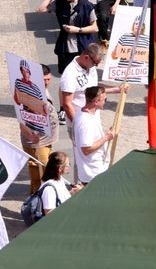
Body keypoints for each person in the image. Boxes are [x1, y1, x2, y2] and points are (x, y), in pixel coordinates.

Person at [14, 63, 58, 193]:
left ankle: (37, 196)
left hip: (45, 138)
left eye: (49, 79)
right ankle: (39, 200)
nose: (47, 82)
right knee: (43, 172)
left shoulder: (40, 89)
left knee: (42, 169)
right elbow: (21, 116)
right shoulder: (26, 91)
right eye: (44, 79)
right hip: (36, 140)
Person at [38, 0, 97, 72]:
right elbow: (41, 9)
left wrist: (77, 30)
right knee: (65, 73)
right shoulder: (60, 2)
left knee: (82, 73)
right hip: (65, 47)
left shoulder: (87, 5)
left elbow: (95, 28)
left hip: (82, 47)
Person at [74, 84, 127, 185]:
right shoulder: (86, 122)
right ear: (96, 102)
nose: (105, 102)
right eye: (105, 100)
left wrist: (118, 89)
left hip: (94, 169)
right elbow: (86, 149)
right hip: (93, 173)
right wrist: (107, 138)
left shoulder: (86, 111)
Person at [58, 43, 101, 129]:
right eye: (95, 63)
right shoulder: (70, 74)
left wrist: (116, 89)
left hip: (93, 119)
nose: (96, 66)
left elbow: (95, 87)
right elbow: (66, 104)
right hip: (81, 123)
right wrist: (78, 126)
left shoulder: (90, 67)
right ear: (86, 57)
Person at [38, 152, 77, 216]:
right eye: (67, 165)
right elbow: (48, 213)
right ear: (60, 168)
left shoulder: (60, 179)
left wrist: (72, 193)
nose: (69, 166)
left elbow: (59, 199)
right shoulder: (49, 189)